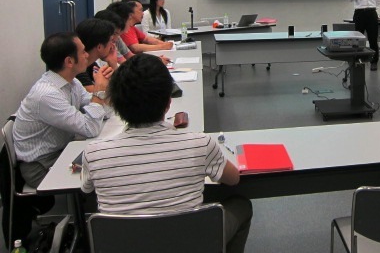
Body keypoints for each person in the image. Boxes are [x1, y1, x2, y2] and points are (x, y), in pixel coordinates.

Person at [81, 54, 253, 253]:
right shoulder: (200, 144)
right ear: (168, 103)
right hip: (188, 243)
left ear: (115, 104)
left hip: (124, 244)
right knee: (241, 205)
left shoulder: (94, 153)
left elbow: (86, 190)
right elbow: (233, 179)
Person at [13, 32, 109, 188]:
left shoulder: (72, 82)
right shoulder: (47, 95)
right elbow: (90, 128)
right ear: (69, 61)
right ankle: (81, 202)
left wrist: (104, 90)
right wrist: (99, 92)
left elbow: (102, 112)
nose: (87, 55)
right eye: (83, 52)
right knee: (102, 169)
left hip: (64, 150)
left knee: (105, 158)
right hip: (42, 166)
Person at [109, 0, 173, 54]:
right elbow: (135, 48)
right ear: (131, 13)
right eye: (140, 10)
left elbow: (146, 39)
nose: (143, 13)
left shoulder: (132, 27)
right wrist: (162, 47)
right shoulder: (124, 30)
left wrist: (164, 44)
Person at [75, 18, 118, 93]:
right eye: (111, 41)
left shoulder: (91, 64)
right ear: (99, 47)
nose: (112, 45)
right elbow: (99, 94)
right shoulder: (78, 69)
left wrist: (113, 63)